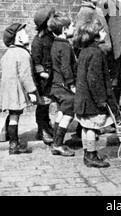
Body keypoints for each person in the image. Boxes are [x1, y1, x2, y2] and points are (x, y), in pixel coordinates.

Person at [74, 0, 115, 136]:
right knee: (92, 95)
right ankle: (84, 130)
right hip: (94, 56)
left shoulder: (93, 9)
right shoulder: (86, 12)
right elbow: (80, 35)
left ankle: (88, 129)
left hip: (100, 54)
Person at [74, 19, 115, 168]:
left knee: (86, 126)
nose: (105, 33)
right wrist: (101, 99)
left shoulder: (84, 51)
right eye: (102, 31)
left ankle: (88, 153)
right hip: (91, 99)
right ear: (95, 36)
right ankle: (91, 155)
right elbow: (94, 79)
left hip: (83, 98)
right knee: (92, 127)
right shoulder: (96, 53)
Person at [0, 23, 37, 155]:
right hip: (16, 91)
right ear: (19, 38)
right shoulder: (23, 54)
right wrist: (32, 91)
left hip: (7, 91)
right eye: (25, 34)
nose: (28, 35)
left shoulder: (7, 54)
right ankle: (14, 145)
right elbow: (25, 75)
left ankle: (13, 141)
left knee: (12, 115)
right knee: (15, 117)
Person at [48, 11, 77, 157]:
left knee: (61, 112)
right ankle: (58, 144)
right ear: (65, 29)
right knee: (69, 111)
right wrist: (72, 84)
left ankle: (55, 143)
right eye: (72, 26)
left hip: (56, 86)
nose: (75, 28)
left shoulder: (55, 44)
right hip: (63, 86)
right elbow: (66, 67)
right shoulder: (65, 46)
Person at [31, 5, 55, 145]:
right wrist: (43, 73)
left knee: (48, 104)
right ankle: (42, 129)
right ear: (45, 22)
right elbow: (36, 61)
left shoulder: (52, 37)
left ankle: (47, 125)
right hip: (43, 79)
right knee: (43, 104)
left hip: (51, 76)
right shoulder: (38, 41)